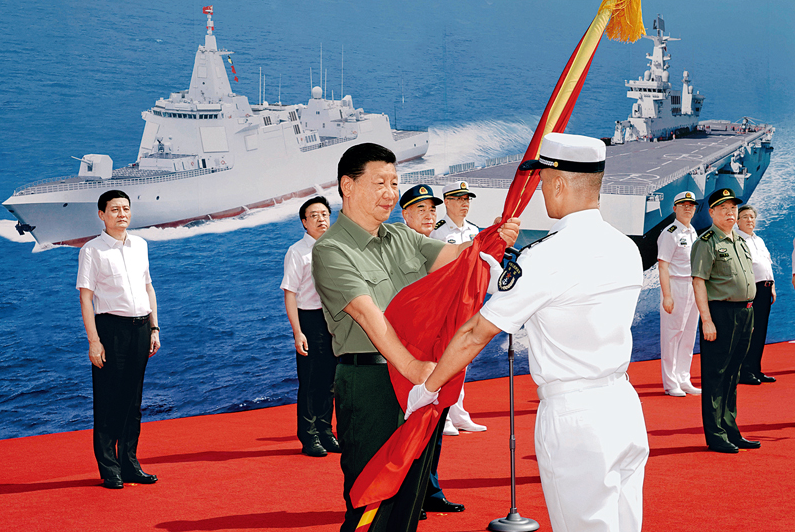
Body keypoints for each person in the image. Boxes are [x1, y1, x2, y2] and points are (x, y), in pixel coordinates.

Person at [406, 133, 649, 532]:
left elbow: (475, 333)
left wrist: (427, 389)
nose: (541, 191)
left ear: (559, 183)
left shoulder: (547, 255)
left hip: (576, 416)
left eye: (543, 182)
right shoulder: (625, 247)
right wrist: (505, 281)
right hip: (623, 406)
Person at [312, 143, 520, 532]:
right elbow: (369, 316)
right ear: (348, 186)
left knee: (409, 499)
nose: (390, 193)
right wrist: (416, 371)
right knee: (372, 501)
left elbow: (459, 259)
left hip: (420, 381)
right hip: (373, 384)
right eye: (380, 183)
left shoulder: (401, 237)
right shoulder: (331, 249)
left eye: (394, 183)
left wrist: (495, 238)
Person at [76, 190, 161, 490]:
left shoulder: (140, 245)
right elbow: (86, 299)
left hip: (141, 327)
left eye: (126, 208)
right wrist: (94, 341)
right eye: (114, 209)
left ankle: (129, 464)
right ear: (102, 214)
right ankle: (109, 468)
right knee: (108, 399)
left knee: (133, 400)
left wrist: (155, 328)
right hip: (110, 330)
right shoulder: (92, 250)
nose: (122, 214)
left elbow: (148, 287)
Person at [399, 184, 465, 519]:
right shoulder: (397, 248)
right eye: (420, 209)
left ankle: (430, 492)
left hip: (438, 349)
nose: (429, 215)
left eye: (432, 209)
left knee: (434, 424)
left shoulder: (441, 248)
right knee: (409, 427)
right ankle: (408, 496)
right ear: (405, 215)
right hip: (406, 354)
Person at [691, 187, 759, 454]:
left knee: (733, 374)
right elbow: (699, 282)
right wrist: (706, 320)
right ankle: (716, 435)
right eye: (724, 208)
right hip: (721, 314)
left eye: (733, 208)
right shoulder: (706, 242)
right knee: (716, 375)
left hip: (744, 312)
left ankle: (730, 429)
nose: (730, 213)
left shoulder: (740, 241)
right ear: (711, 212)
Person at [281, 196, 340, 457]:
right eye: (314, 215)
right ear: (304, 222)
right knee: (310, 380)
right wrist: (298, 332)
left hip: (334, 319)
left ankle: (326, 432)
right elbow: (290, 293)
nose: (321, 219)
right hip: (309, 319)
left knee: (330, 381)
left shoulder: (336, 246)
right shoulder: (297, 252)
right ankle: (309, 436)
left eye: (324, 214)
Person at [430, 181, 487, 436]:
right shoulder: (437, 232)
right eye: (460, 199)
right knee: (444, 357)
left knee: (462, 356)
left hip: (469, 299)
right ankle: (443, 414)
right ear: (447, 201)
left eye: (467, 199)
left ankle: (459, 414)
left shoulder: (474, 231)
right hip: (446, 301)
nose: (465, 204)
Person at [657, 191, 701, 397]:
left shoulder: (693, 232)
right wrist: (667, 296)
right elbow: (663, 266)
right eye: (683, 205)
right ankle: (670, 382)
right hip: (676, 286)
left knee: (689, 334)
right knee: (672, 334)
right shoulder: (670, 233)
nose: (688, 208)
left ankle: (684, 378)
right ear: (674, 208)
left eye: (691, 205)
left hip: (693, 286)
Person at [735, 205, 777, 384]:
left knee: (760, 330)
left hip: (765, 288)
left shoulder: (758, 240)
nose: (749, 220)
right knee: (748, 331)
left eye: (752, 217)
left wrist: (772, 286)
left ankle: (755, 369)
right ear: (737, 221)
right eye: (745, 217)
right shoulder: (736, 240)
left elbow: (767, 263)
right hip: (750, 290)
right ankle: (744, 371)